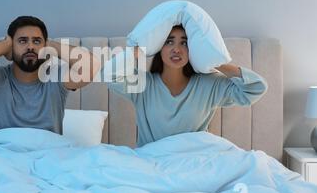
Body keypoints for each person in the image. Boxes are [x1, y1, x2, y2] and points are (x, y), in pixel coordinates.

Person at [106, 24, 268, 147]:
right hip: (151, 164)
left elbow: (256, 88)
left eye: (184, 43)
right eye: (169, 42)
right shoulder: (143, 84)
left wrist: (214, 60)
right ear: (158, 47)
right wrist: (139, 50)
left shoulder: (209, 83)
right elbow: (109, 75)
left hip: (195, 163)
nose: (177, 49)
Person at [0, 16, 100, 134]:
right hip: (3, 155)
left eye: (37, 41)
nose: (30, 46)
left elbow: (92, 66)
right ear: (11, 45)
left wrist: (50, 45)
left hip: (51, 155)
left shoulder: (56, 77)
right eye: (22, 41)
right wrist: (4, 45)